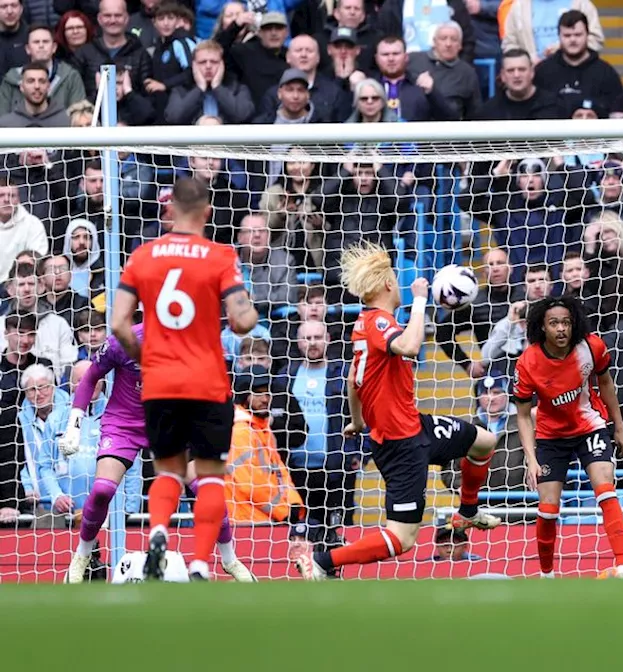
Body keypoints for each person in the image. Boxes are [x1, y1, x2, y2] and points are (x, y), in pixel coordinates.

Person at [297, 241, 500, 580]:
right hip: (400, 444)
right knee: (403, 538)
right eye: (397, 279)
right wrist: (421, 300)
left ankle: (467, 511)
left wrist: (357, 421)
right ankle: (323, 561)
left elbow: (352, 379)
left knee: (484, 441)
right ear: (389, 284)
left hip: (414, 427)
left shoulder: (366, 323)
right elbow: (409, 345)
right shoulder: (377, 322)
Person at [111, 177, 260, 581]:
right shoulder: (220, 256)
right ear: (208, 211)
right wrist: (250, 314)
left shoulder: (143, 256)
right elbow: (242, 321)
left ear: (170, 208)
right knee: (209, 474)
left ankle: (158, 529)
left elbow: (119, 324)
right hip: (208, 383)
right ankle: (199, 565)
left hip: (161, 383)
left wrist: (149, 359)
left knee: (168, 470)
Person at [61, 323, 253, 583]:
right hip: (124, 423)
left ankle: (230, 560)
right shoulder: (123, 341)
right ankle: (82, 555)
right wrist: (74, 424)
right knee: (103, 490)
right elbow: (91, 376)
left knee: (206, 488)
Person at [513, 295, 623, 578]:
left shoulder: (591, 346)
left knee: (605, 487)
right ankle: (546, 574)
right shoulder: (528, 362)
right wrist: (530, 459)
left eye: (566, 322)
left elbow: (605, 383)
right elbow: (522, 415)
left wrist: (619, 427)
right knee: (548, 508)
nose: (561, 329)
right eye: (554, 323)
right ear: (542, 327)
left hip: (590, 426)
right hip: (551, 436)